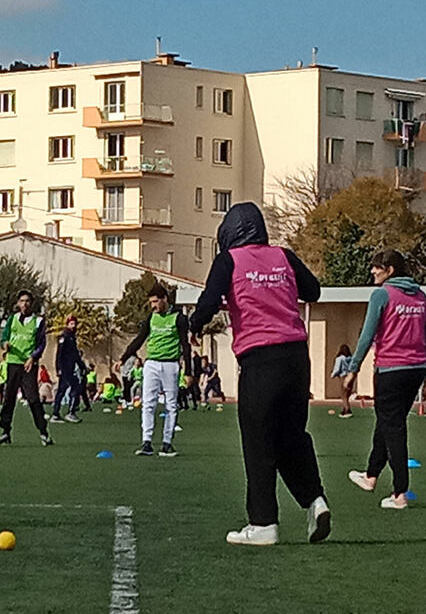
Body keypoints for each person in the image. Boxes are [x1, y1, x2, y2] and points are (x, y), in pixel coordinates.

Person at [190, 201, 329, 546]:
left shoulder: (229, 260)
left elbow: (208, 301)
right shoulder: (283, 255)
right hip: (297, 357)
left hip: (259, 358)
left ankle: (263, 523)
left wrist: (193, 324)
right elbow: (313, 291)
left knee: (259, 441)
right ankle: (316, 500)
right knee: (292, 436)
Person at [344, 249, 426, 511]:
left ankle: (399, 493)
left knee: (393, 426)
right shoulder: (421, 297)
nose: (372, 271)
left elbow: (367, 334)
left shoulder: (382, 294)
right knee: (388, 421)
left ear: (390, 270)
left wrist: (353, 369)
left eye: (377, 267)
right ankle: (371, 476)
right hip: (416, 369)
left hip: (390, 370)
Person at [117, 282, 192, 458]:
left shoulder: (179, 318)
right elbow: (139, 340)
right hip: (151, 364)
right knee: (148, 403)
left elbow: (185, 345)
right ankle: (147, 442)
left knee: (171, 405)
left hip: (170, 364)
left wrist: (188, 371)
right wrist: (123, 358)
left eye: (156, 302)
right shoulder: (151, 318)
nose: (153, 306)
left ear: (165, 299)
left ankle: (167, 444)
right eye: (151, 302)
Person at [0, 290, 53, 446]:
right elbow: (4, 337)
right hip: (13, 363)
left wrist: (33, 357)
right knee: (9, 399)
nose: (24, 304)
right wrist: (4, 344)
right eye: (21, 301)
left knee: (33, 399)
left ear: (32, 303)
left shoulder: (38, 321)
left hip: (28, 365)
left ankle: (43, 432)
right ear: (18, 303)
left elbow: (41, 343)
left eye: (27, 301)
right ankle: (5, 432)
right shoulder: (12, 319)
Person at [51, 315, 84, 423]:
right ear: (67, 324)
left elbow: (75, 355)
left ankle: (56, 414)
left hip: (70, 368)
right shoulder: (64, 337)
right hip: (65, 369)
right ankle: (70, 412)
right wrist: (58, 368)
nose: (73, 326)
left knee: (62, 390)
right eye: (71, 324)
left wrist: (82, 366)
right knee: (75, 388)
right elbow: (59, 354)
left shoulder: (72, 337)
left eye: (74, 324)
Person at [331, 345, 354, 417]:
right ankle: (343, 409)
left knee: (343, 395)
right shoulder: (351, 358)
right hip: (350, 377)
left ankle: (347, 410)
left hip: (343, 376)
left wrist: (333, 374)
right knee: (347, 393)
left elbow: (337, 368)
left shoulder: (340, 358)